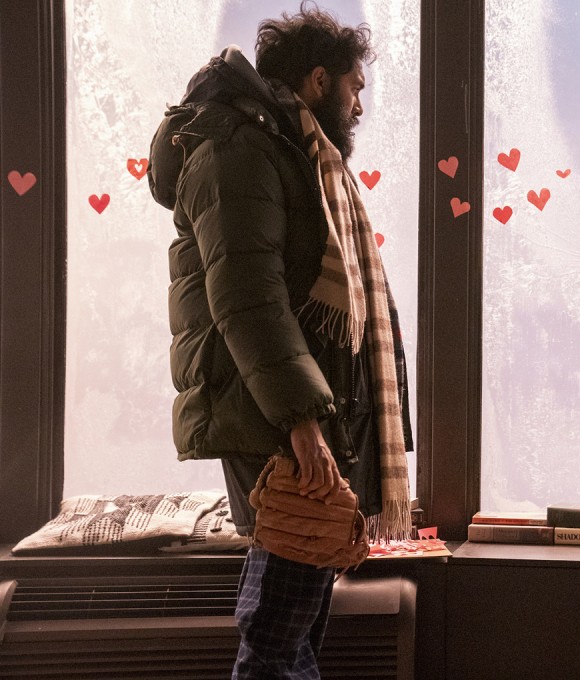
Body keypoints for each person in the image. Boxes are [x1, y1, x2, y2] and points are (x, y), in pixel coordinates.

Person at [147, 3, 413, 677]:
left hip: (299, 417)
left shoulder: (288, 150)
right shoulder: (241, 148)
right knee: (277, 630)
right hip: (280, 421)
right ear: (319, 81)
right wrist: (300, 420)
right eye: (355, 88)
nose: (360, 106)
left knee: (291, 626)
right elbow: (247, 298)